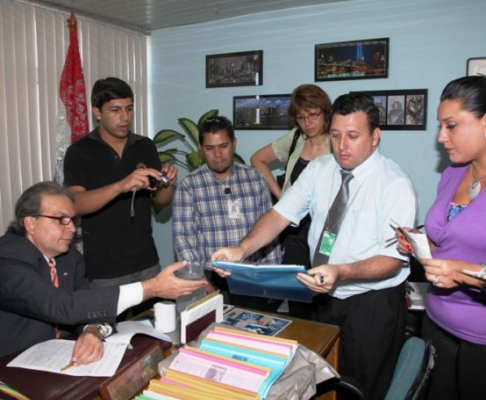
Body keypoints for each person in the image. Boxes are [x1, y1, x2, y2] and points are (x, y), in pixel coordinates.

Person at [213, 93, 417, 400]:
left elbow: (393, 260)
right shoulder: (321, 169)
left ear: (375, 136)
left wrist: (341, 271)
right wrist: (240, 250)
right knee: (321, 380)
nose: (342, 145)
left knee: (362, 388)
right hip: (323, 295)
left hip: (370, 303)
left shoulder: (394, 184)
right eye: (335, 135)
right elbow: (279, 215)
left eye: (352, 136)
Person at [0, 182, 206, 362]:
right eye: (61, 219)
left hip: (62, 361)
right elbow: (61, 306)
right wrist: (150, 288)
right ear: (30, 223)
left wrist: (93, 331)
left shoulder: (69, 258)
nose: (71, 228)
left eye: (73, 220)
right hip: (11, 372)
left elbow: (91, 304)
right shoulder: (7, 261)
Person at [397, 76, 486, 400]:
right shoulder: (453, 173)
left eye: (451, 126)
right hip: (436, 322)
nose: (441, 137)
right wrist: (420, 246)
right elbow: (446, 246)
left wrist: (463, 272)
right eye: (440, 126)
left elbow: (462, 262)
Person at [64, 77, 177, 293]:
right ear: (98, 112)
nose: (125, 117)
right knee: (107, 328)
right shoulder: (80, 152)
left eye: (129, 109)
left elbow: (160, 203)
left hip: (147, 263)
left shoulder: (145, 146)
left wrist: (168, 183)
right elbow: (74, 204)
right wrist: (120, 186)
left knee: (153, 325)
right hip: (105, 271)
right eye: (115, 110)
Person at [172, 116, 280, 308]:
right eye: (210, 148)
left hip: (251, 274)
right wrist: (200, 281)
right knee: (212, 333)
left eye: (223, 146)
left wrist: (272, 277)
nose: (218, 154)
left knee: (251, 332)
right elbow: (183, 238)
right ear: (201, 148)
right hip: (211, 277)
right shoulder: (189, 186)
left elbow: (269, 229)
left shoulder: (255, 178)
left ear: (234, 143)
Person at [251, 84, 332, 318]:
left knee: (324, 293)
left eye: (313, 115)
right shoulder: (296, 138)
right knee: (299, 295)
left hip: (326, 231)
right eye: (301, 117)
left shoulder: (338, 142)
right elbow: (258, 159)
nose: (307, 123)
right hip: (294, 231)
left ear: (325, 112)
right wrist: (281, 197)